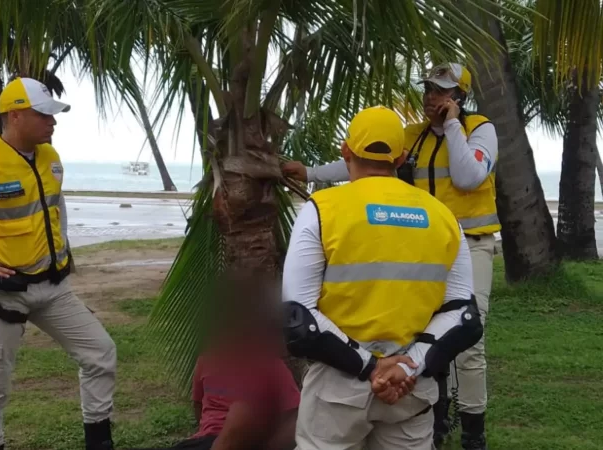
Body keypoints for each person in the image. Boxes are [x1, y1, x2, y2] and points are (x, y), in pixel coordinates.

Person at [282, 63, 497, 450]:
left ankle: (472, 430)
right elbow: (464, 317)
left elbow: (299, 319)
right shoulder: (444, 217)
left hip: (338, 387)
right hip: (410, 388)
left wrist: (368, 366)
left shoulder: (321, 210)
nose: (432, 96)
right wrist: (408, 364)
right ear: (400, 161)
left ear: (346, 151)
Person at [0, 77, 117, 450]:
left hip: (53, 289)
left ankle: (99, 439)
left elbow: (56, 215)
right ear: (14, 116)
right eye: (44, 115)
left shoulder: (51, 159)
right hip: (2, 297)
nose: (52, 122)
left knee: (100, 352)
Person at [132, 273, 299, 450]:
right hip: (206, 440)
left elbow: (294, 418)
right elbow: (198, 406)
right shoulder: (207, 360)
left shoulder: (270, 366)